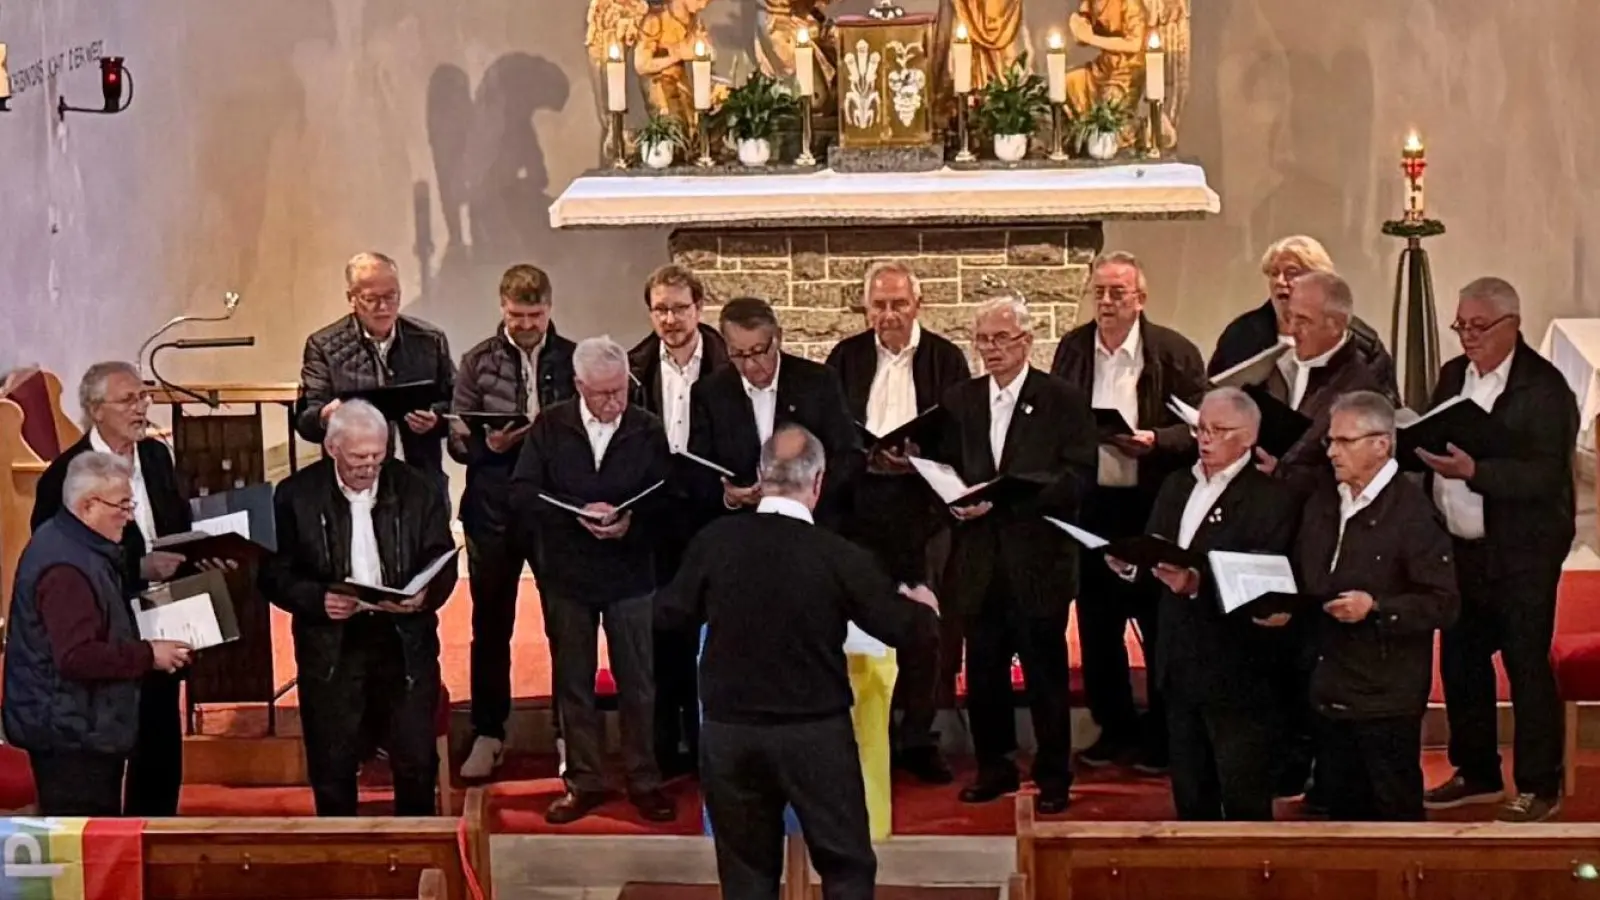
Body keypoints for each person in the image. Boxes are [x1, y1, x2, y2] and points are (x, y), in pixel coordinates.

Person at [659, 424, 939, 900]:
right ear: (818, 481)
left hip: (732, 732)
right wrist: (925, 609)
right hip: (814, 735)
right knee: (845, 868)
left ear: (761, 476)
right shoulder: (837, 555)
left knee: (746, 875)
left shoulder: (715, 541)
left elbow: (669, 615)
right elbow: (903, 629)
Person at [1422, 277, 1578, 823]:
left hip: (1522, 551)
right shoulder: (1451, 376)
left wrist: (1476, 472)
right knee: (1462, 660)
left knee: (1525, 662)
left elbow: (1544, 475)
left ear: (1512, 324)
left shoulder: (1545, 388)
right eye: (1461, 325)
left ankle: (1540, 784)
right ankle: (1477, 771)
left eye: (1478, 326)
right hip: (1460, 547)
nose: (1467, 337)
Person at [934, 295, 1096, 814]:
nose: (991, 350)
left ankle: (1052, 776)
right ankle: (994, 767)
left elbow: (1079, 476)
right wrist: (953, 498)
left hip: (1037, 560)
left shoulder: (1062, 399)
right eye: (983, 339)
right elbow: (945, 466)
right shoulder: (960, 399)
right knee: (982, 673)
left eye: (1001, 339)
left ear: (1026, 342)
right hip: (978, 561)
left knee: (1045, 675)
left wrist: (1010, 494)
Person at [1048, 251, 1205, 773]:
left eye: (1119, 293)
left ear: (1141, 298)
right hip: (1094, 504)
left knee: (1159, 622)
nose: (1108, 302)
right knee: (1096, 623)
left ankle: (1162, 735)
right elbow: (1059, 416)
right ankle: (1113, 728)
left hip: (1152, 503)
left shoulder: (1173, 352)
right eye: (1100, 293)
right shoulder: (1073, 350)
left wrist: (1156, 439)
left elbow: (1202, 425)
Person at [260, 400, 455, 817]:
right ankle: (337, 849)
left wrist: (426, 595)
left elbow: (442, 558)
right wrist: (316, 599)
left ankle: (419, 848)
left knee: (415, 757)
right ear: (332, 449)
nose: (369, 468)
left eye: (377, 457)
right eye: (358, 458)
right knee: (332, 759)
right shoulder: (297, 495)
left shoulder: (417, 489)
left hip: (403, 639)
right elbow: (274, 573)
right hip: (332, 642)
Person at [513, 337, 675, 825]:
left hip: (630, 572)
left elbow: (668, 496)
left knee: (639, 683)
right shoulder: (551, 425)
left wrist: (632, 522)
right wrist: (575, 516)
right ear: (579, 385)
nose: (614, 402)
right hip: (569, 572)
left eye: (620, 390)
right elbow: (522, 491)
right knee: (574, 681)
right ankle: (584, 780)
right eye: (603, 393)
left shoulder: (646, 428)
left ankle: (644, 780)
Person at [1117, 388, 1298, 820]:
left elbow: (1265, 576)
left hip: (1237, 665)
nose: (1205, 438)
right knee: (1190, 792)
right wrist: (1131, 565)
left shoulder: (1270, 497)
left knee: (1242, 793)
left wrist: (1197, 584)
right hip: (1178, 659)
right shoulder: (1178, 483)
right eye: (1201, 428)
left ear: (1249, 436)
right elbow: (1156, 545)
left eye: (1219, 430)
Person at [825, 260, 969, 784]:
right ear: (866, 308)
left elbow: (959, 432)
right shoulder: (845, 357)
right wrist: (864, 458)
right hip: (860, 508)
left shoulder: (945, 359)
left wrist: (917, 457)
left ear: (918, 306)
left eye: (898, 304)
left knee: (927, 627)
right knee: (861, 617)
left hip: (922, 510)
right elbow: (833, 428)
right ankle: (866, 728)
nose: (888, 315)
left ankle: (919, 734)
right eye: (879, 305)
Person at [1284, 391, 1457, 821]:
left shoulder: (1413, 513)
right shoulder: (1325, 500)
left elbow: (1444, 604)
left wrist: (1377, 608)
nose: (1331, 451)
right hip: (1328, 684)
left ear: (1381, 444)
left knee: (1392, 814)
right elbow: (1305, 572)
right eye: (1330, 441)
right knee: (1342, 815)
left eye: (1344, 441)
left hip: (1385, 696)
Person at [30, 361, 192, 816]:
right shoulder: (64, 477)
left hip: (162, 616)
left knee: (161, 745)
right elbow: (61, 561)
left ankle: (156, 839)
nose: (141, 408)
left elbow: (174, 521)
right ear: (95, 410)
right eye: (129, 400)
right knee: (108, 754)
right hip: (102, 633)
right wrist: (139, 567)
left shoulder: (157, 457)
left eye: (144, 397)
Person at [451, 263, 577, 781]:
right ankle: (490, 730)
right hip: (492, 506)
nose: (526, 324)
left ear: (550, 308)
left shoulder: (571, 358)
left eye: (535, 315)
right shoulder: (477, 361)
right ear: (502, 307)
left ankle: (570, 731)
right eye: (516, 315)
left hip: (554, 507)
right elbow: (458, 437)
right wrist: (486, 443)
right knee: (491, 624)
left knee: (565, 625)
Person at [627, 264, 729, 778]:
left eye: (679, 308)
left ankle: (714, 748)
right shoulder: (634, 366)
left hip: (716, 513)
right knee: (664, 631)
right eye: (660, 309)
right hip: (659, 517)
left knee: (717, 634)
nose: (669, 319)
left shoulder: (728, 361)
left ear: (699, 308)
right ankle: (666, 749)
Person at [687, 297, 860, 529]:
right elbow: (697, 472)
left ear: (777, 338)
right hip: (742, 530)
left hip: (811, 529)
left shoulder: (818, 382)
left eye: (758, 352)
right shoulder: (710, 393)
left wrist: (802, 497)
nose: (749, 365)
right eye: (737, 354)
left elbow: (849, 457)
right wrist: (730, 497)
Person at [295, 251, 456, 489]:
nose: (383, 306)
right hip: (355, 479)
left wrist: (436, 419)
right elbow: (307, 420)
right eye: (371, 298)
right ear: (352, 298)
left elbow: (456, 401)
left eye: (391, 296)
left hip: (422, 475)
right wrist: (326, 417)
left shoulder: (429, 340)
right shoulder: (324, 346)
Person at [1207, 235, 1396, 397]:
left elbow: (1385, 407)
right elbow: (1210, 397)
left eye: (1292, 273)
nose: (1280, 282)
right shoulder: (1241, 335)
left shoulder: (1360, 341)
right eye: (1274, 273)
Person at [1256, 271, 1391, 491]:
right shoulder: (1276, 366)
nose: (1291, 330)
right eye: (1289, 317)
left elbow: (1350, 474)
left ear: (1335, 325)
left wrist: (1281, 472)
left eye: (1303, 321)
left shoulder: (1359, 390)